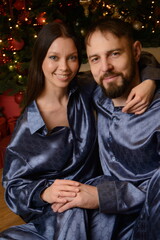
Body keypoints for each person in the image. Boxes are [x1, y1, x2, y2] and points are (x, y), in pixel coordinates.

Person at [0, 20, 160, 240]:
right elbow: (13, 186)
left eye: (72, 58)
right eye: (54, 57)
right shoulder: (30, 125)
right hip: (61, 208)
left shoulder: (87, 90)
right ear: (40, 60)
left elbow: (135, 59)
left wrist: (150, 80)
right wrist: (44, 192)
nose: (64, 68)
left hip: (107, 202)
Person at [51, 19, 160, 240]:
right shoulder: (97, 94)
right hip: (106, 218)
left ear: (136, 51)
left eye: (115, 54)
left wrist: (103, 196)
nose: (105, 67)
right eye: (95, 59)